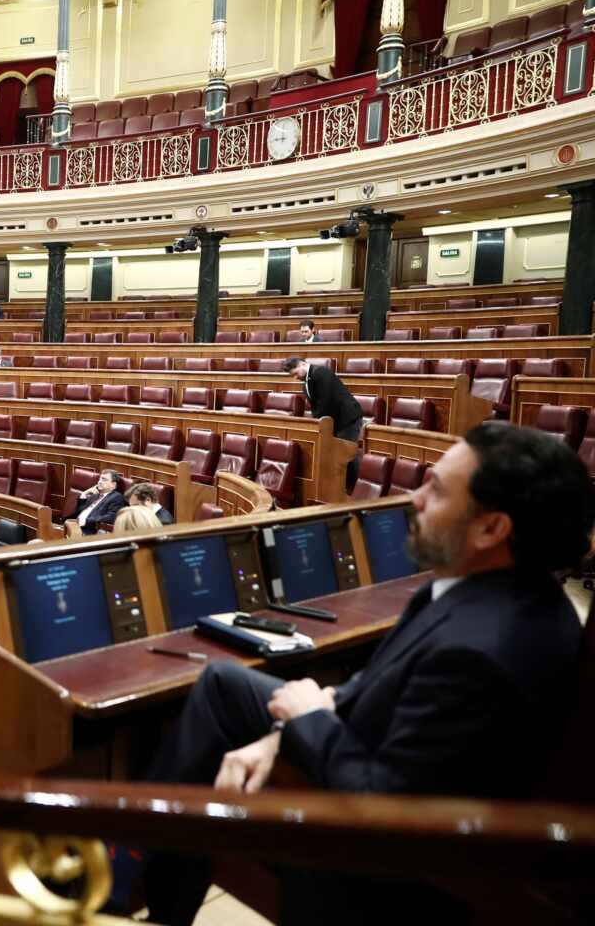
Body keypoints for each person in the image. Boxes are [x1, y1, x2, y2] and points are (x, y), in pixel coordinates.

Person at [141, 423, 594, 926]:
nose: (413, 498)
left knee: (205, 777)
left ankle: (137, 893)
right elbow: (375, 682)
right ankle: (152, 883)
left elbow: (385, 807)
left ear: (492, 528)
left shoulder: (481, 654)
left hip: (383, 872)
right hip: (369, 746)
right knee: (224, 684)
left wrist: (307, 723)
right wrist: (284, 731)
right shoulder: (484, 590)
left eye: (437, 490)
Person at [284, 356, 362, 444]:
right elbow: (315, 405)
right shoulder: (307, 380)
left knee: (346, 453)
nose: (295, 378)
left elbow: (326, 401)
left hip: (347, 418)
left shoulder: (320, 372)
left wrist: (319, 422)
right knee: (335, 453)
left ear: (303, 364)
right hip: (333, 420)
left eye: (295, 373)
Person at [67, 470, 127, 535]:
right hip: (72, 526)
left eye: (104, 479)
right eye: (100, 479)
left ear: (113, 485)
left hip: (88, 532)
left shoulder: (116, 497)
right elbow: (78, 512)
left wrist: (86, 521)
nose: (100, 482)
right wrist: (84, 494)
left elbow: (111, 517)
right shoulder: (95, 495)